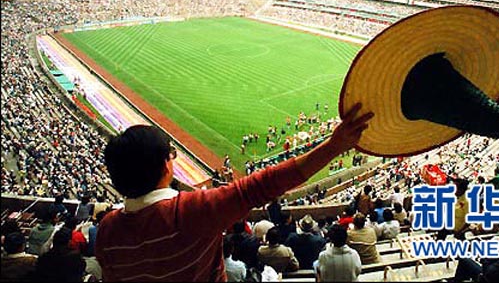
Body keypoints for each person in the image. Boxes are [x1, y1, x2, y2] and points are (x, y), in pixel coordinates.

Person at [95, 103, 373, 281]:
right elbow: (264, 185)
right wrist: (334, 146)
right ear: (165, 167)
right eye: (171, 155)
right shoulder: (192, 211)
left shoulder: (107, 230)